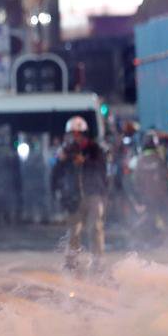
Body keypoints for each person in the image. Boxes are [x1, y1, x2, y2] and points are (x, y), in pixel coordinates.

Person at [52, 116, 108, 271]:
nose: (75, 137)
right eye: (72, 133)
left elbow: (101, 169)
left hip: (93, 195)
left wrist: (85, 162)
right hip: (73, 197)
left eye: (78, 133)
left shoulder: (95, 149)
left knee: (95, 228)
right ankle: (71, 261)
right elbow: (56, 173)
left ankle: (98, 261)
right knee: (74, 231)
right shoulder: (65, 151)